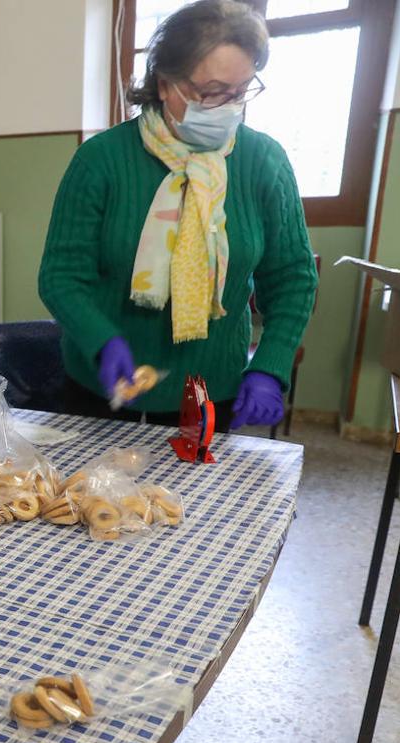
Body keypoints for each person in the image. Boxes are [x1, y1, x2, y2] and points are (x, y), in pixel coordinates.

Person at [39, 0, 316, 431]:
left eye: (240, 91)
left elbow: (293, 278)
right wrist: (101, 339)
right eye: (211, 91)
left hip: (210, 390)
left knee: (196, 501)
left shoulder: (264, 162)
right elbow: (61, 276)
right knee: (91, 500)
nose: (228, 106)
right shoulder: (101, 160)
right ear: (166, 84)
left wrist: (269, 364)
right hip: (101, 390)